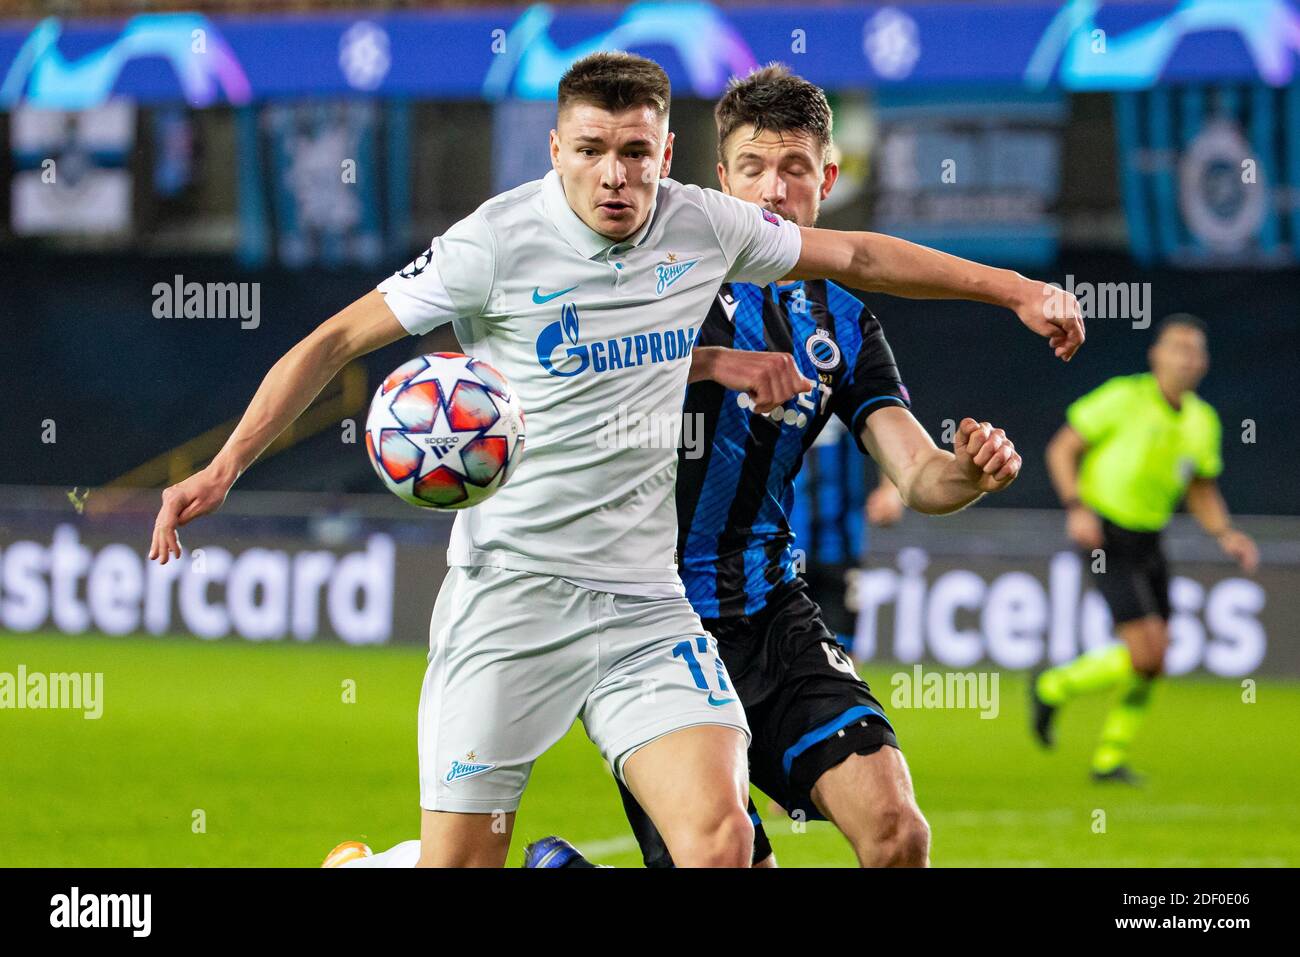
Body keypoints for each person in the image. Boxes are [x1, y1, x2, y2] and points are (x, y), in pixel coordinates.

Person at [149, 52, 1082, 869]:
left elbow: (863, 255)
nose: (614, 175)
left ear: (666, 159)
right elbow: (335, 339)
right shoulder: (494, 245)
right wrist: (226, 466)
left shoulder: (704, 227)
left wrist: (1018, 292)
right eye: (590, 149)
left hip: (645, 606)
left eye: (635, 152)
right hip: (510, 599)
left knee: (722, 844)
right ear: (555, 150)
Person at [526, 65, 1028, 870]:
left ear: (826, 179)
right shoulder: (662, 278)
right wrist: (715, 363)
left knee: (900, 834)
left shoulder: (845, 323)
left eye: (794, 169)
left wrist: (969, 471)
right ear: (719, 180)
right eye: (751, 168)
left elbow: (919, 474)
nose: (771, 190)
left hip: (772, 615)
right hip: (651, 626)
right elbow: (572, 362)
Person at [1035, 314, 1257, 783]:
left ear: (1204, 363)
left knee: (1157, 661)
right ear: (1156, 354)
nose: (1185, 357)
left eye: (1194, 350)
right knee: (1144, 654)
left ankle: (1109, 759)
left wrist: (1226, 534)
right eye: (1177, 347)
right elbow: (1061, 448)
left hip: (1151, 540)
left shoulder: (1202, 420)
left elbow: (1200, 488)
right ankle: (1053, 684)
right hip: (1107, 533)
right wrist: (1077, 507)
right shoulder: (1124, 396)